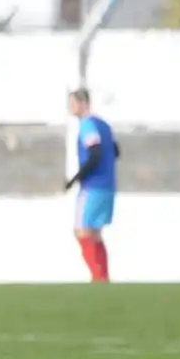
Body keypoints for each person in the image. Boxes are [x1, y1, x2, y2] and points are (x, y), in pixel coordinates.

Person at [64, 89, 118, 283]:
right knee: (95, 233)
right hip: (109, 186)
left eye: (72, 103)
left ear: (83, 103)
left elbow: (94, 153)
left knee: (81, 230)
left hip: (93, 186)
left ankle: (98, 277)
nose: (70, 108)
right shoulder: (103, 124)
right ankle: (103, 278)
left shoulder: (88, 125)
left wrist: (75, 179)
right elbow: (115, 150)